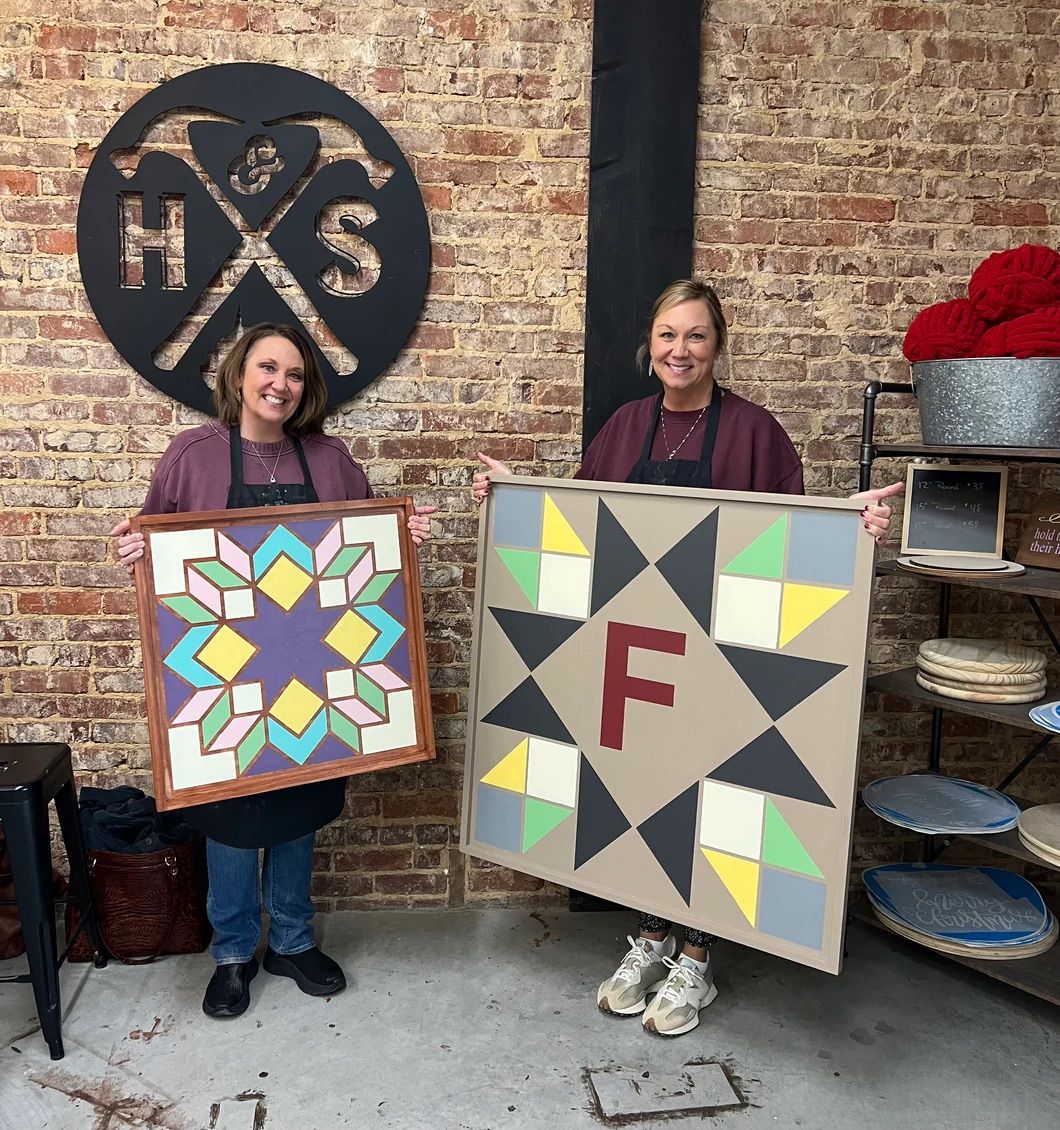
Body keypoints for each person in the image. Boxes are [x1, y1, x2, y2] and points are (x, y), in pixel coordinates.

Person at [472, 279, 902, 1037]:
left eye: (696, 336)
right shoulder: (625, 427)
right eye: (668, 335)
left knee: (711, 798)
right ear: (650, 342)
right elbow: (573, 527)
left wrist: (853, 523)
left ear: (718, 345)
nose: (680, 350)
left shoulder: (756, 433)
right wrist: (509, 497)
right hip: (635, 660)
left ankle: (697, 959)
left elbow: (794, 539)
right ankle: (648, 939)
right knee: (645, 795)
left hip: (720, 664)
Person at [111, 323, 436, 1019]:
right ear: (237, 376)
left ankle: (290, 939)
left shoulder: (331, 460)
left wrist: (401, 537)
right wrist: (136, 546)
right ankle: (232, 951)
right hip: (224, 675)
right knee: (229, 816)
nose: (279, 384)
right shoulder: (192, 457)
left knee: (296, 801)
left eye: (293, 373)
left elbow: (365, 560)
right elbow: (156, 547)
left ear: (305, 387)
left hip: (312, 671)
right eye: (267, 367)